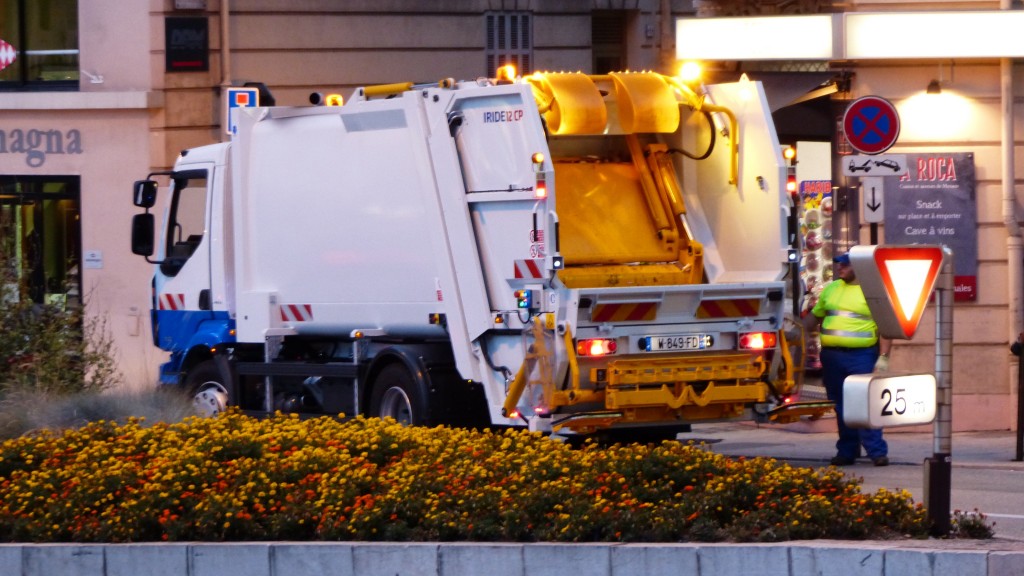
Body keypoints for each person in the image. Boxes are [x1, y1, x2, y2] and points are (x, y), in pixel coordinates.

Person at [804, 251, 892, 467]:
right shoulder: (832, 289)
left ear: (859, 267)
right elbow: (815, 317)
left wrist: (883, 357)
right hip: (832, 357)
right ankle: (847, 451)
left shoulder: (872, 292)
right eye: (838, 264)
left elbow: (886, 327)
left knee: (864, 404)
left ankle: (877, 452)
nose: (839, 268)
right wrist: (794, 332)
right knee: (841, 406)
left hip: (861, 356)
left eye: (844, 265)